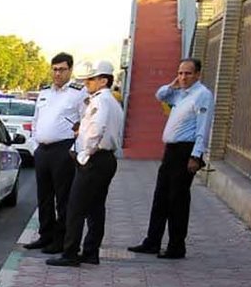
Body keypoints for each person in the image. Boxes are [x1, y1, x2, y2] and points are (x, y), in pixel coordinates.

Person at [128, 58, 214, 259]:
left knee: (178, 200)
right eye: (181, 73)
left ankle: (177, 245)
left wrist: (196, 155)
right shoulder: (180, 94)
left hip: (186, 152)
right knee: (161, 197)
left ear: (198, 75)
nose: (183, 77)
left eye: (188, 73)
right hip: (171, 152)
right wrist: (173, 84)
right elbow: (160, 95)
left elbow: (203, 127)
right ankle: (152, 241)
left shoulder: (202, 95)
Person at [47, 61, 125, 268]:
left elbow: (96, 130)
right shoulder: (111, 101)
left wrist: (84, 153)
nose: (86, 83)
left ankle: (70, 253)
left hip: (95, 158)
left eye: (91, 79)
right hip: (105, 159)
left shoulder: (101, 101)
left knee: (76, 208)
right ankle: (91, 252)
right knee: (95, 208)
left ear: (103, 80)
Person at [25, 53, 88, 254]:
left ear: (70, 70)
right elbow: (36, 120)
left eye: (62, 69)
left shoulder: (79, 93)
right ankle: (45, 235)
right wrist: (35, 144)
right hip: (43, 149)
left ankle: (61, 240)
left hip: (64, 149)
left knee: (63, 198)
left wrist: (76, 150)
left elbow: (85, 123)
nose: (57, 73)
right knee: (43, 196)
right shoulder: (45, 92)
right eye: (54, 69)